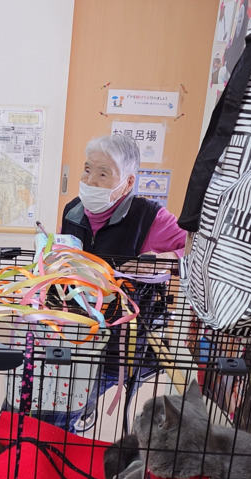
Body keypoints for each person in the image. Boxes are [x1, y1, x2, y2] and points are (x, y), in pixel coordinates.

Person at [57, 133, 187, 432]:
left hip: (121, 342)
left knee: (66, 406)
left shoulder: (150, 218)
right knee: (46, 394)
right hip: (75, 329)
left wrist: (163, 259)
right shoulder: (73, 210)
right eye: (87, 170)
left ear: (128, 183)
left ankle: (60, 436)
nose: (90, 180)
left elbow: (200, 251)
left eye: (103, 174)